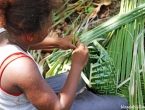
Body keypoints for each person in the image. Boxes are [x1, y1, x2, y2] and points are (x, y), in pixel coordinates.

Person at [0, 0, 128, 110]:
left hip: (26, 95)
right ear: (31, 36)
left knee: (81, 80)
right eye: (48, 28)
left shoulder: (6, 33)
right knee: (122, 104)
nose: (50, 29)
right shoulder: (22, 68)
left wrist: (58, 42)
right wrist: (77, 65)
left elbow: (26, 42)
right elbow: (58, 107)